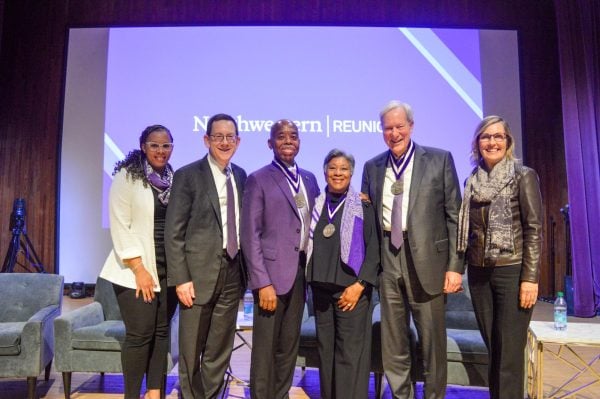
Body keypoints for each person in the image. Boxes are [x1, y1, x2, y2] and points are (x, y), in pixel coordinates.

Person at [361, 101, 463, 399]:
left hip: (428, 261)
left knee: (432, 344)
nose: (394, 133)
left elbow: (455, 216)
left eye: (399, 127)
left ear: (411, 126)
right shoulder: (372, 166)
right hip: (388, 259)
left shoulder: (439, 160)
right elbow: (368, 220)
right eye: (388, 128)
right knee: (394, 344)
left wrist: (455, 267)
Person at [457, 115, 542, 399]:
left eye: (498, 136)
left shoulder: (523, 175)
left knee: (509, 354)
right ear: (477, 142)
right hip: (479, 274)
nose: (492, 142)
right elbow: (466, 230)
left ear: (507, 142)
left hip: (512, 271)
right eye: (485, 136)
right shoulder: (472, 180)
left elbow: (533, 229)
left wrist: (530, 278)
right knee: (495, 350)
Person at [165, 114, 247, 399]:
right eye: (218, 136)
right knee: (190, 350)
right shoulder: (188, 175)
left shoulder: (240, 175)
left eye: (230, 137)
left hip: (233, 272)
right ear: (206, 140)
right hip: (196, 276)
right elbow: (173, 232)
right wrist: (181, 278)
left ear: (238, 141)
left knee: (219, 347)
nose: (225, 142)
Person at [241, 119, 320, 399]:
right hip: (271, 279)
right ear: (270, 143)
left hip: (301, 275)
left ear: (299, 141)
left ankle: (281, 394)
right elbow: (250, 235)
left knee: (289, 346)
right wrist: (262, 283)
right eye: (281, 136)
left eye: (293, 136)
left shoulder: (310, 179)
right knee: (265, 349)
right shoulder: (258, 178)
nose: (288, 140)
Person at [99, 124, 178, 399]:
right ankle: (132, 394)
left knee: (161, 333)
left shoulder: (174, 179)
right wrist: (139, 269)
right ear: (143, 146)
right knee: (140, 334)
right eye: (154, 145)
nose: (160, 150)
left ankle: (154, 392)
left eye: (166, 145)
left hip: (167, 269)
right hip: (134, 271)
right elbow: (120, 224)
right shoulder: (127, 177)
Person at [306, 149, 379, 399]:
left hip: (352, 292)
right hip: (320, 291)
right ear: (324, 171)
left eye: (344, 168)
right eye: (333, 168)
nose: (338, 173)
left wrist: (360, 285)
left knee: (350, 355)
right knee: (326, 353)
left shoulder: (363, 205)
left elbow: (375, 249)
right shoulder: (315, 204)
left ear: (352, 173)